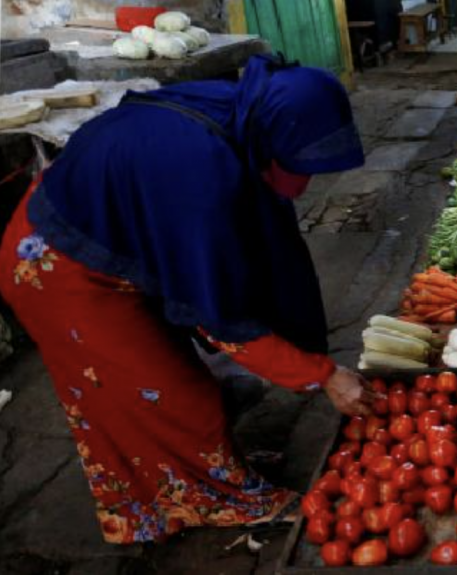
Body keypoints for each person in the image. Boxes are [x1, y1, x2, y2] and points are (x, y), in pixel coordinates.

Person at [0, 54, 377, 544]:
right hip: (59, 265)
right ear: (275, 132)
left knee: (157, 379)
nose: (303, 180)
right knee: (160, 393)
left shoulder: (240, 110)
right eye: (297, 160)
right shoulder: (199, 174)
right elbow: (219, 314)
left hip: (100, 230)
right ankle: (210, 500)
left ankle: (202, 468)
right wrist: (321, 375)